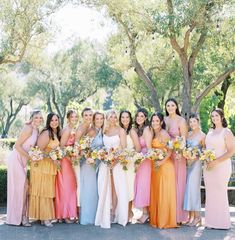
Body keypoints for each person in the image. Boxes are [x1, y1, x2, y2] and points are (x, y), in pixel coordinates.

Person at [7, 110, 43, 226]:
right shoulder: (28, 128)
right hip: (16, 160)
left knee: (24, 188)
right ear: (32, 118)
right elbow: (16, 146)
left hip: (23, 161)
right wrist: (30, 157)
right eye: (36, 117)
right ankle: (21, 217)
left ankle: (22, 216)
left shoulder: (37, 130)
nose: (38, 120)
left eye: (40, 118)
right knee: (24, 185)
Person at [95, 110, 128, 228]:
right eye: (110, 117)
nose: (113, 119)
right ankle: (105, 213)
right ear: (107, 118)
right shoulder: (104, 130)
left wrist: (115, 161)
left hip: (117, 163)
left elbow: (124, 148)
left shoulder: (121, 130)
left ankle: (115, 213)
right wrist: (105, 158)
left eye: (115, 117)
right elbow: (102, 146)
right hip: (105, 163)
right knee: (105, 187)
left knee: (116, 187)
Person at [204, 108, 235, 229]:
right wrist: (206, 159)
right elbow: (207, 148)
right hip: (208, 167)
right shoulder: (210, 132)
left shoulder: (226, 132)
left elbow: (231, 151)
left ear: (222, 117)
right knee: (210, 193)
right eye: (212, 116)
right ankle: (210, 222)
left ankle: (222, 223)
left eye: (217, 116)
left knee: (220, 192)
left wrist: (216, 161)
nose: (214, 118)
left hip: (221, 166)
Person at [29, 112, 61, 227]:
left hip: (49, 166)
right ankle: (45, 218)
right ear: (48, 121)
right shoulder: (46, 132)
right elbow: (39, 149)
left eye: (56, 120)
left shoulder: (55, 133)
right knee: (43, 191)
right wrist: (51, 157)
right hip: (42, 166)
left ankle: (43, 217)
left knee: (46, 191)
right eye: (52, 120)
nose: (54, 122)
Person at [149, 112, 177, 228]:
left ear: (161, 122)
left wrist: (161, 161)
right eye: (153, 121)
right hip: (156, 166)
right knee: (157, 191)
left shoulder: (164, 133)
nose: (155, 123)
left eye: (157, 121)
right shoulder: (154, 133)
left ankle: (165, 221)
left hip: (165, 166)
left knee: (164, 192)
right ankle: (156, 219)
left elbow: (170, 150)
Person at [165, 98, 188, 224]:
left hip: (178, 155)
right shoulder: (164, 119)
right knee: (169, 185)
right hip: (167, 155)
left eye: (172, 105)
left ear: (176, 106)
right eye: (168, 105)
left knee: (179, 184)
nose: (170, 107)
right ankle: (169, 213)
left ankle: (179, 216)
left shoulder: (181, 120)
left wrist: (179, 152)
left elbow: (183, 139)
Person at [80, 112, 104, 225]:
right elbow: (83, 147)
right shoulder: (91, 131)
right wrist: (89, 158)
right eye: (97, 119)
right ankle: (87, 218)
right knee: (89, 190)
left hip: (97, 164)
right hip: (88, 164)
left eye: (101, 118)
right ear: (94, 120)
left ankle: (96, 216)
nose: (99, 120)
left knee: (95, 191)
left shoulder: (102, 131)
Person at [55, 110, 78, 223]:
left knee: (68, 187)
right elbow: (62, 147)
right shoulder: (67, 130)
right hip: (65, 161)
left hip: (68, 161)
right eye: (72, 117)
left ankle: (63, 214)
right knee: (67, 188)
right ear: (68, 118)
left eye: (76, 117)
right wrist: (71, 154)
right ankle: (65, 215)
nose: (74, 118)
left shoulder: (71, 129)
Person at [183, 113, 205, 226]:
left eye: (194, 122)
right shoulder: (188, 134)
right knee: (188, 189)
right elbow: (184, 148)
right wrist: (186, 155)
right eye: (190, 122)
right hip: (187, 164)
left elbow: (205, 151)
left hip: (196, 165)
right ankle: (191, 217)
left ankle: (198, 217)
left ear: (198, 122)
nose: (192, 124)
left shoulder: (202, 135)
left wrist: (195, 155)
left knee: (194, 189)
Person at [119, 110, 141, 221]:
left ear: (130, 118)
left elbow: (138, 148)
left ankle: (129, 212)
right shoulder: (119, 130)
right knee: (122, 188)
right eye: (123, 117)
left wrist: (131, 157)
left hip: (130, 163)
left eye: (127, 117)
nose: (125, 119)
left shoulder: (132, 131)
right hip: (121, 163)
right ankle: (124, 211)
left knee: (129, 188)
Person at [133, 108, 152, 223]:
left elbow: (149, 148)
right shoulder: (138, 129)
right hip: (140, 159)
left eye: (142, 116)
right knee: (142, 185)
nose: (139, 118)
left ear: (145, 118)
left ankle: (145, 213)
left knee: (144, 185)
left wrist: (141, 159)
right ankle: (145, 212)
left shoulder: (146, 129)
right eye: (138, 116)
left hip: (146, 160)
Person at [74, 107, 93, 217]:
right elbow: (76, 146)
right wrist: (84, 154)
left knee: (87, 185)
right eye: (86, 115)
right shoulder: (80, 129)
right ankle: (80, 212)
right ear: (82, 116)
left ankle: (88, 209)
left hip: (89, 160)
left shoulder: (91, 127)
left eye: (90, 115)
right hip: (80, 160)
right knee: (80, 184)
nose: (88, 117)